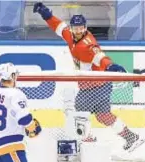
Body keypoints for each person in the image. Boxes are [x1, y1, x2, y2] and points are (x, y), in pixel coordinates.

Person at [33, 2, 144, 152]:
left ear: (85, 28)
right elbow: (59, 27)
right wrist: (46, 14)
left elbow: (99, 56)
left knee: (78, 113)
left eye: (81, 28)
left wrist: (110, 66)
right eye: (76, 28)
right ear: (72, 29)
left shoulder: (87, 44)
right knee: (103, 116)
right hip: (102, 85)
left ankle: (87, 141)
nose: (78, 31)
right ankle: (131, 137)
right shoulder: (70, 36)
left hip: (93, 87)